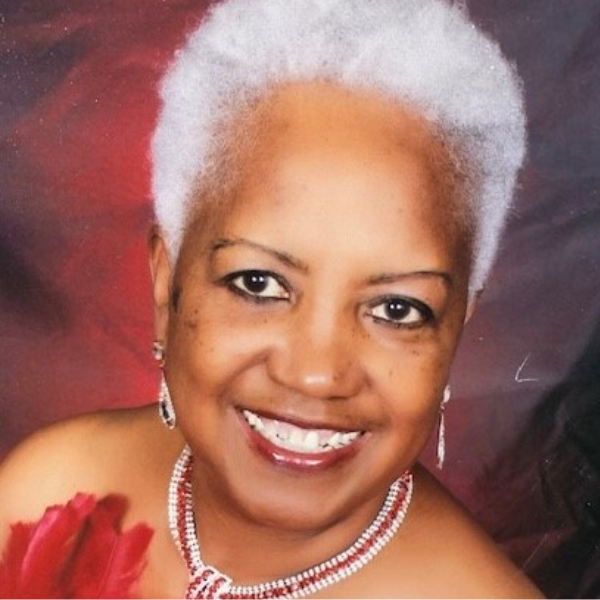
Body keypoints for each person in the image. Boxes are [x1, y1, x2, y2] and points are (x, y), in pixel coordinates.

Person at [0, 0, 544, 597]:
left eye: (396, 309)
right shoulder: (46, 495)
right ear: (166, 282)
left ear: (456, 325)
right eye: (258, 283)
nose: (316, 375)